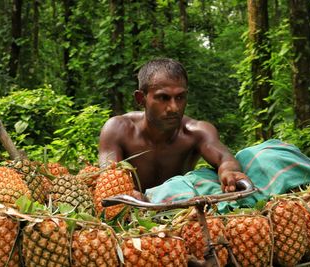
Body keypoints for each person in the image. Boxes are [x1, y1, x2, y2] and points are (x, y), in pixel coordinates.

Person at [98, 58, 250, 199]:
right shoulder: (118, 129)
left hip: (181, 212)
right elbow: (108, 179)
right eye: (163, 98)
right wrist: (129, 195)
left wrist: (229, 171)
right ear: (141, 99)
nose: (174, 108)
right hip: (129, 214)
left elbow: (224, 158)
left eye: (180, 97)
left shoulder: (197, 132)